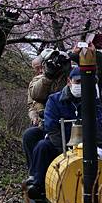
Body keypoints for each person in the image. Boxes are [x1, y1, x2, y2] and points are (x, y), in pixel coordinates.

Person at [27, 66, 102, 202]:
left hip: (86, 141)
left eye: (85, 83)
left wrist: (93, 147)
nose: (81, 85)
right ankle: (38, 184)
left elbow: (97, 124)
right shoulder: (54, 100)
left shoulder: (93, 100)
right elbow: (51, 127)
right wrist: (65, 150)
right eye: (78, 82)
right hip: (61, 142)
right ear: (69, 81)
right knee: (42, 146)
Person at [22, 49, 69, 182]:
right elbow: (33, 100)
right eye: (36, 68)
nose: (38, 71)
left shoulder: (69, 78)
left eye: (39, 67)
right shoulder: (39, 79)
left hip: (66, 122)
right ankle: (34, 172)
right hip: (45, 122)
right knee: (30, 135)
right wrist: (48, 77)